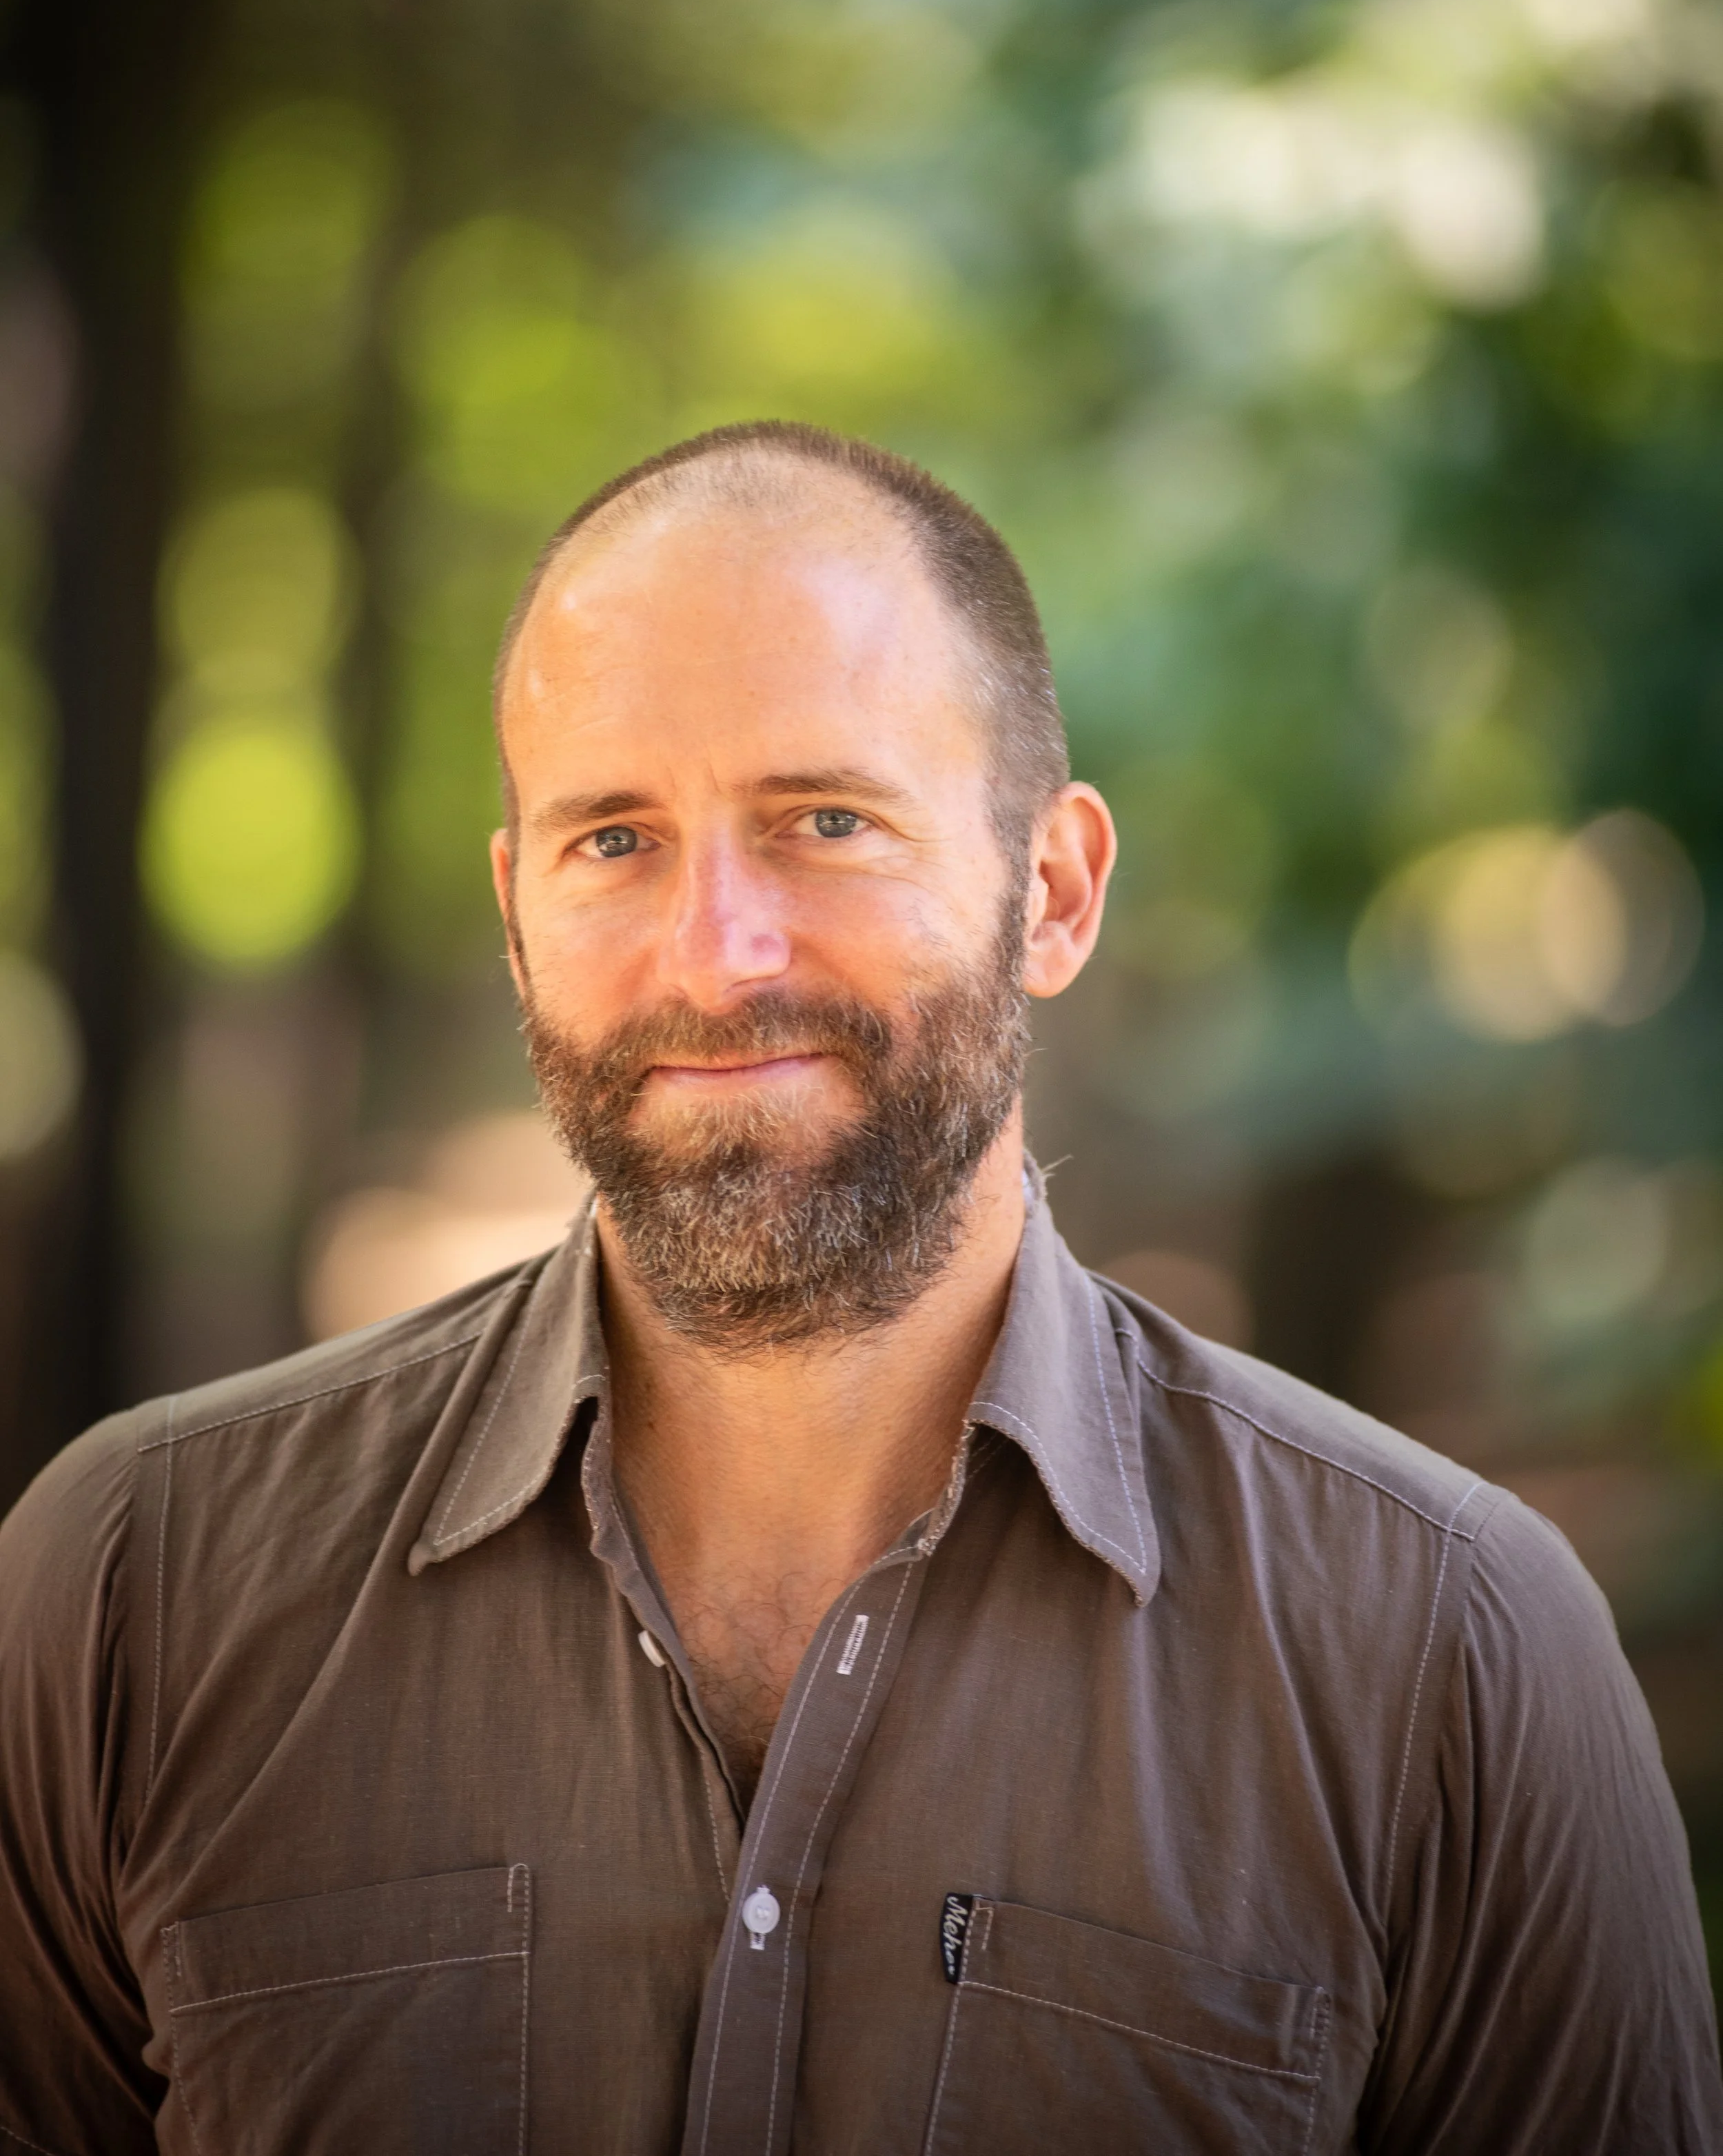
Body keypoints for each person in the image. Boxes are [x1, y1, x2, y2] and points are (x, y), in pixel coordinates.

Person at [0, 420, 1717, 2156]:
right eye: (615, 839)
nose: (717, 953)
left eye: (824, 820)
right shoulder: (132, 1594)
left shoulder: (1450, 1653)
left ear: (1048, 891)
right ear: (517, 912)